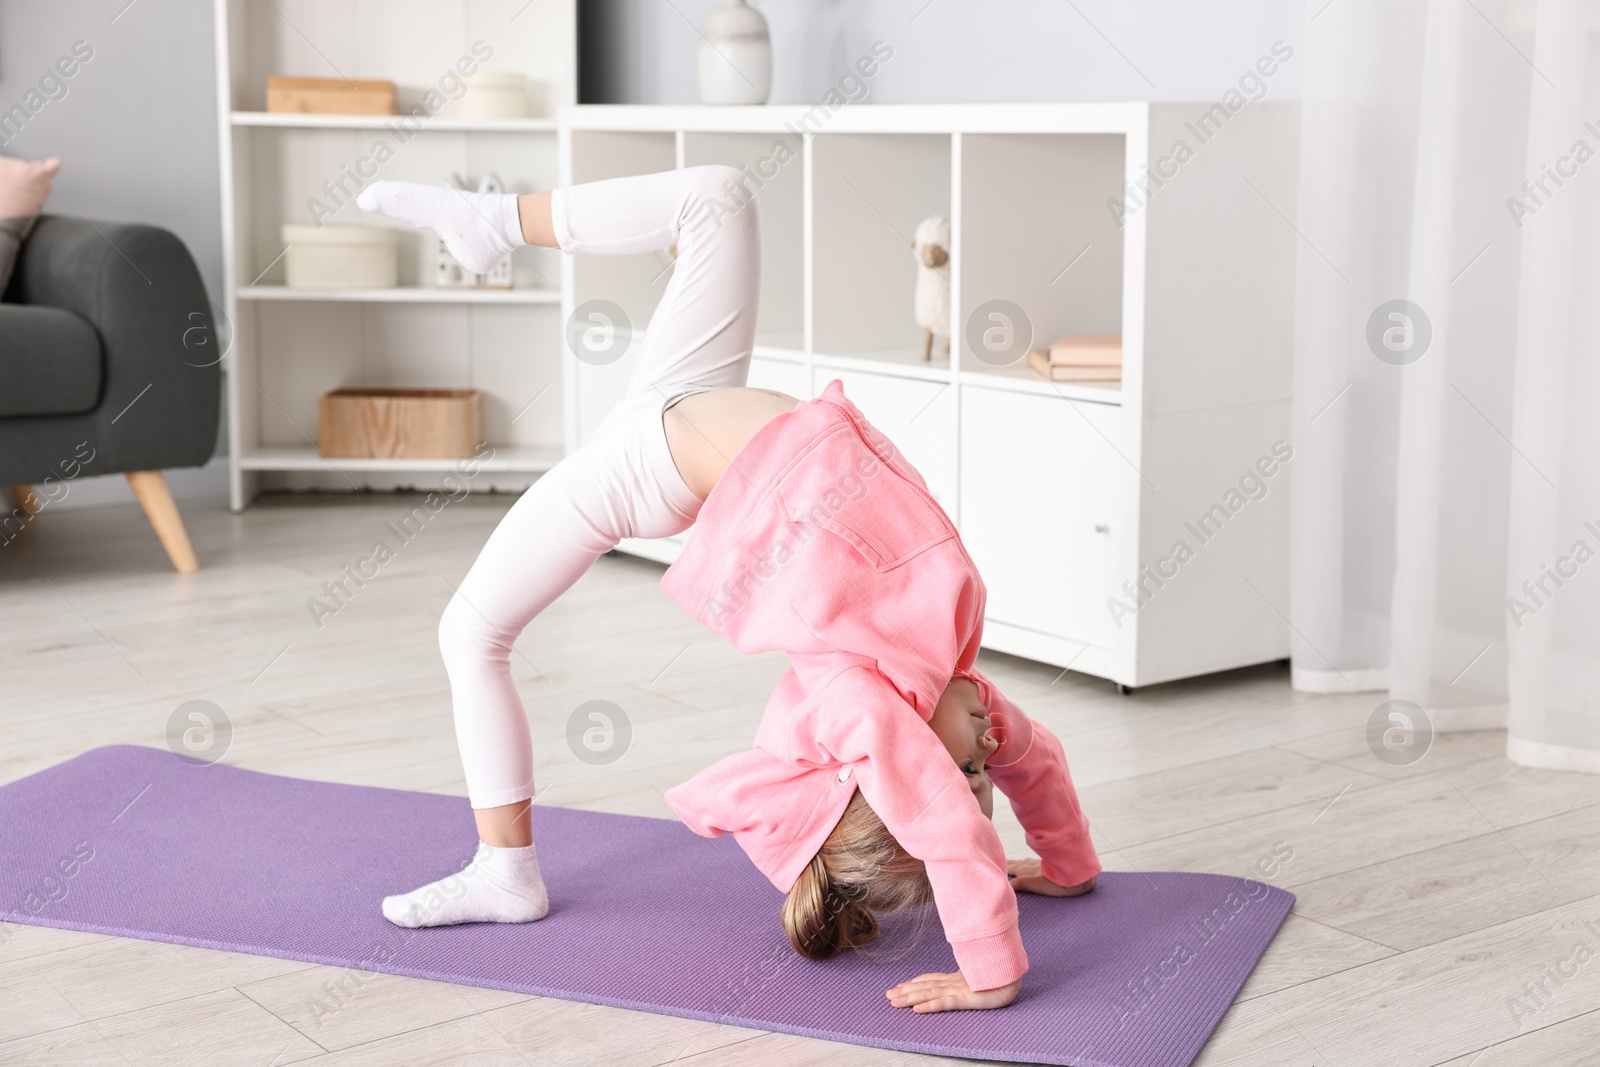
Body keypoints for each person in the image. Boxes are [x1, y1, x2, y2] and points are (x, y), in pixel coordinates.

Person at [358, 166, 1098, 1014]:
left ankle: (506, 870)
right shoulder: (943, 668)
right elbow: (1036, 761)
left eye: (955, 765)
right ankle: (491, 222)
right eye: (980, 770)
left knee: (469, 633)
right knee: (721, 194)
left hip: (645, 468)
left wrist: (993, 972)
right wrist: (1068, 865)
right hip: (688, 402)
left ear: (877, 766)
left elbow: (950, 830)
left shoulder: (867, 708)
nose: (980, 748)